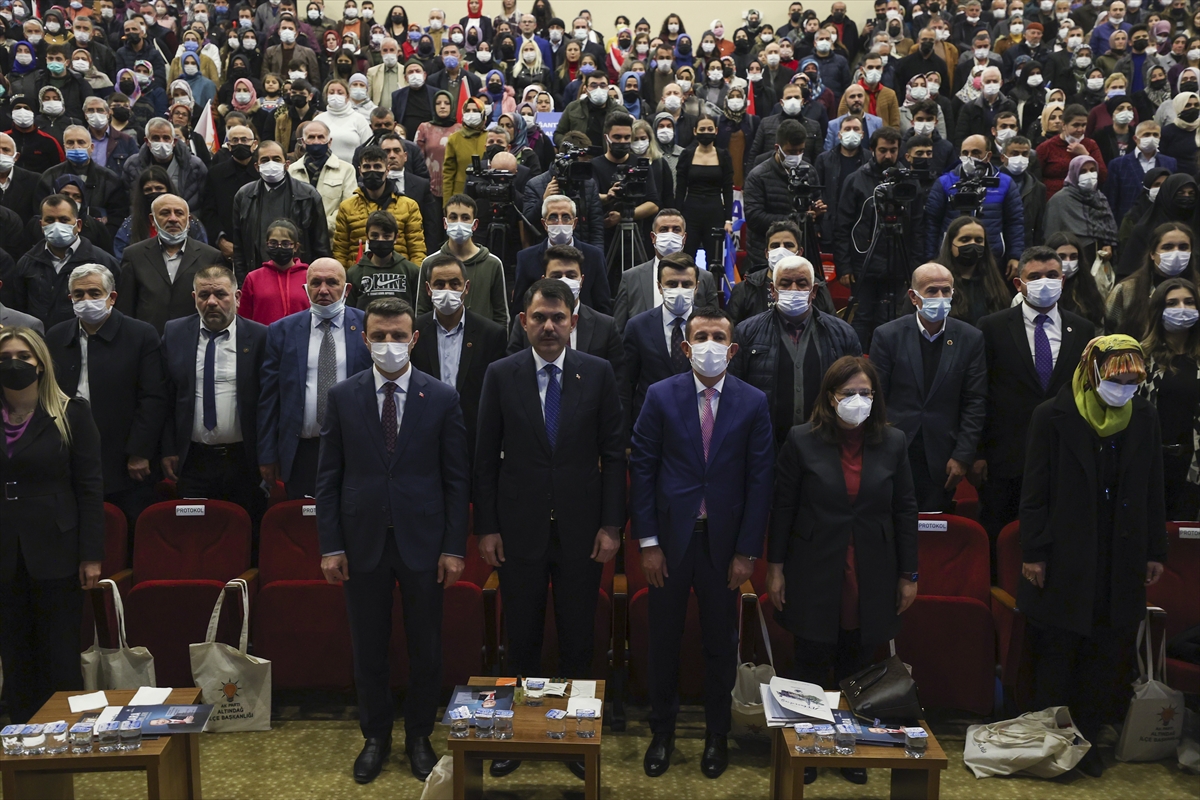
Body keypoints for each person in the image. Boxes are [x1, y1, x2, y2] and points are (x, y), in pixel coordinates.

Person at [473, 279, 624, 779]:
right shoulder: (501, 374)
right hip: (518, 530)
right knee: (522, 639)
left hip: (583, 530)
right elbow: (484, 459)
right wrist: (487, 527)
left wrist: (611, 525)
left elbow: (614, 455)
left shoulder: (597, 373)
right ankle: (518, 735)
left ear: (573, 321)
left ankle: (577, 738)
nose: (549, 326)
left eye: (559, 317)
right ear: (523, 322)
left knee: (579, 640)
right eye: (539, 317)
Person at [315, 296, 469, 784]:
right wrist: (330, 545)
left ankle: (420, 736)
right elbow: (328, 479)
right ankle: (375, 736)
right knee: (369, 647)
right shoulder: (343, 396)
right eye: (379, 336)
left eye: (398, 335)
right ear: (364, 339)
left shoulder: (441, 397)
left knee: (426, 646)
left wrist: (454, 547)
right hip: (361, 541)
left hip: (424, 541)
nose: (389, 344)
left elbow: (456, 480)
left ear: (414, 338)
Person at [629, 306, 774, 780]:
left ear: (732, 349)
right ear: (686, 346)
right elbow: (643, 470)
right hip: (669, 544)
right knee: (663, 641)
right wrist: (648, 543)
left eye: (719, 337)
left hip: (723, 546)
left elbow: (760, 481)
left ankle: (717, 735)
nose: (710, 344)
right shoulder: (660, 395)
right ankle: (662, 732)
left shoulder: (753, 401)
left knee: (720, 644)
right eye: (701, 336)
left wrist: (747, 552)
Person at [767, 354, 918, 788]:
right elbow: (783, 508)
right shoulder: (802, 439)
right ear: (830, 397)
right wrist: (775, 569)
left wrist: (909, 574)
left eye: (865, 393)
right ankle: (809, 748)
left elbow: (905, 509)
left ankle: (853, 747)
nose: (857, 400)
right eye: (848, 392)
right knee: (810, 662)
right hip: (814, 567)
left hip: (872, 569)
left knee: (859, 664)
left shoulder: (893, 441)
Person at [1020, 335, 1166, 778]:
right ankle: (1054, 742)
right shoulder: (1052, 415)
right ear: (1093, 371)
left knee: (1107, 650)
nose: (1124, 388)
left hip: (1122, 550)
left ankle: (1088, 739)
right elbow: (1035, 491)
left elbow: (1153, 486)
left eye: (1132, 381)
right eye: (1117, 379)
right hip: (1067, 550)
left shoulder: (1144, 415)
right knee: (1060, 649)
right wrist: (1034, 551)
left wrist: (1154, 550)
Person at [0, 326, 103, 724]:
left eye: (23, 357)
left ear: (40, 364)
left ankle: (65, 734)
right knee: (15, 650)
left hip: (57, 548)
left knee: (58, 651)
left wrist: (91, 555)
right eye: (5, 358)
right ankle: (21, 735)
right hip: (5, 550)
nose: (14, 364)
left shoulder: (71, 412)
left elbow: (90, 488)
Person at [976, 246, 1096, 557]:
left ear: (1063, 281)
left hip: (1064, 455)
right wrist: (978, 452)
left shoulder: (1083, 329)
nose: (1045, 282)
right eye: (1035, 276)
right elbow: (978, 392)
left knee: (1062, 543)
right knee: (1000, 542)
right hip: (1005, 457)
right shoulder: (992, 327)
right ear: (1019, 284)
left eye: (1052, 275)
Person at [46, 264, 167, 536]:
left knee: (127, 533)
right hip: (70, 454)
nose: (86, 300)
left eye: (94, 293)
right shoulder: (56, 336)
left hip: (125, 459)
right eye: (79, 295)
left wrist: (140, 452)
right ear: (70, 299)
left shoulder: (141, 334)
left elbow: (153, 398)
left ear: (111, 297)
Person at [869, 263, 987, 512]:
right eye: (932, 290)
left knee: (936, 526)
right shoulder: (887, 335)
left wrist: (963, 455)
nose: (940, 297)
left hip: (944, 454)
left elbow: (975, 401)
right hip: (895, 448)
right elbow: (876, 398)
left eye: (946, 291)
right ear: (914, 297)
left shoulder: (970, 338)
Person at [160, 266, 268, 523]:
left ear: (237, 297)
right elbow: (164, 397)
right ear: (194, 298)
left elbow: (269, 402)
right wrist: (168, 448)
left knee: (246, 530)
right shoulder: (175, 333)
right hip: (192, 460)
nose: (211, 302)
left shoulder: (260, 336)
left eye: (220, 294)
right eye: (204, 295)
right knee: (196, 532)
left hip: (244, 460)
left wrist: (268, 455)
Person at [259, 258, 371, 500]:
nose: (323, 290)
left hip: (355, 449)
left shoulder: (368, 326)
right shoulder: (281, 331)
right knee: (304, 519)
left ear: (347, 289)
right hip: (302, 451)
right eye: (316, 283)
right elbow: (269, 398)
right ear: (305, 288)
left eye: (332, 282)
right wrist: (267, 453)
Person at [729, 255, 862, 447]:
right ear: (773, 290)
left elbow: (856, 391)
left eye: (801, 284)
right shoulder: (746, 332)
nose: (793, 290)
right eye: (785, 284)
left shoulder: (842, 333)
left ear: (813, 291)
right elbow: (734, 392)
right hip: (765, 441)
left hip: (826, 442)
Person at [409, 253, 508, 463]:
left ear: (466, 287)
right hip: (423, 438)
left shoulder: (491, 334)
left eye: (455, 284)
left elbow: (496, 395)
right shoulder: (413, 332)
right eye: (440, 284)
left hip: (473, 440)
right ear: (428, 289)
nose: (447, 290)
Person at [834, 126, 923, 350]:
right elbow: (842, 226)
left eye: (893, 150)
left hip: (899, 264)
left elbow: (918, 227)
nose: (888, 156)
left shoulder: (910, 183)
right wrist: (844, 266)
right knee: (862, 316)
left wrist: (915, 267)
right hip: (864, 263)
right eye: (883, 150)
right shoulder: (856, 180)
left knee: (892, 318)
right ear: (872, 150)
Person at [505, 245, 626, 391]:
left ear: (581, 280)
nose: (564, 281)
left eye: (571, 275)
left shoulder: (605, 326)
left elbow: (618, 385)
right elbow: (511, 375)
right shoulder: (524, 323)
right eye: (556, 276)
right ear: (544, 280)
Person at [116, 193, 224, 334]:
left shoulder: (211, 256)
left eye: (179, 213)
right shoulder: (134, 255)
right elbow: (125, 308)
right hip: (147, 340)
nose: (173, 219)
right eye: (165, 213)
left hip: (194, 338)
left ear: (188, 220)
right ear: (153, 220)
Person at [1138, 278, 1200, 520]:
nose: (1182, 309)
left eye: (1189, 302)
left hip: (1193, 464)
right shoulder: (1141, 356)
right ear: (1158, 310)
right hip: (1151, 462)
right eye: (1172, 303)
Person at [622, 252, 704, 432]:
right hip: (650, 423)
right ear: (659, 287)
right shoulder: (638, 326)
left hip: (698, 423)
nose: (679, 290)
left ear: (696, 287)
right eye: (672, 284)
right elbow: (626, 384)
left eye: (686, 284)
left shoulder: (709, 326)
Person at [14, 194, 119, 331]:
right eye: (50, 220)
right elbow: (19, 308)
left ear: (78, 225)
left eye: (64, 220)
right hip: (38, 338)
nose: (56, 225)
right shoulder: (27, 262)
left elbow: (118, 308)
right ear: (41, 225)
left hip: (87, 336)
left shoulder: (103, 262)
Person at [923, 133, 1025, 276]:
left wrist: (1015, 256)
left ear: (988, 156)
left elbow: (1015, 222)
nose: (969, 157)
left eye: (976, 153)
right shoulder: (945, 182)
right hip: (952, 258)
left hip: (992, 258)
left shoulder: (1004, 183)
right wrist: (931, 257)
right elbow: (932, 222)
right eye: (965, 153)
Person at [230, 140, 332, 281]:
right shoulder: (244, 196)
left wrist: (317, 281)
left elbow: (321, 246)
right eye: (265, 160)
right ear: (257, 166)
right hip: (257, 276)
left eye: (276, 159)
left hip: (299, 277)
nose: (271, 164)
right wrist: (243, 283)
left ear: (287, 164)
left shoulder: (308, 195)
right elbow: (239, 248)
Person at [612, 209, 720, 331]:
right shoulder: (631, 278)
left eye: (676, 230)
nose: (670, 235)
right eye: (664, 230)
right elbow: (618, 329)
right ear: (653, 237)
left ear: (684, 238)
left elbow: (714, 324)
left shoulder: (705, 277)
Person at [510, 194, 612, 316]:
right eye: (553, 217)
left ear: (574, 223)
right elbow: (520, 307)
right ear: (544, 223)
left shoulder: (594, 256)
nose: (560, 222)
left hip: (585, 325)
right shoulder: (526, 258)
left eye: (566, 217)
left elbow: (603, 306)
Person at [416, 194, 509, 325]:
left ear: (475, 224)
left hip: (482, 337)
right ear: (445, 223)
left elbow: (501, 316)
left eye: (465, 218)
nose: (459, 223)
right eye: (453, 217)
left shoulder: (492, 264)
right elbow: (421, 312)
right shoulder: (429, 263)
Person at [332, 146, 425, 266]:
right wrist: (346, 276)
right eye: (367, 167)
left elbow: (417, 250)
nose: (372, 171)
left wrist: (413, 275)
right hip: (358, 273)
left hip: (399, 273)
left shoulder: (409, 206)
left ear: (387, 170)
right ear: (360, 171)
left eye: (377, 166)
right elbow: (340, 251)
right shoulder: (347, 207)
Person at [1109, 223, 1199, 338]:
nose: (1176, 253)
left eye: (1183, 247)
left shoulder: (1198, 288)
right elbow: (1109, 328)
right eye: (1167, 247)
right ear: (1152, 253)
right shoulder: (1127, 290)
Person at [933, 216, 1011, 326]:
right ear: (950, 244)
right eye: (965, 240)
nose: (973, 244)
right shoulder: (935, 282)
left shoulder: (995, 285)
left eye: (979, 240)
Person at [674, 115, 733, 261]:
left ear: (716, 131)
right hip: (690, 213)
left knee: (715, 260)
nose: (706, 132)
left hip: (715, 213)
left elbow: (727, 189)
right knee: (686, 258)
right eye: (702, 129)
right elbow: (680, 189)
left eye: (709, 129)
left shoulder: (723, 155)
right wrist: (677, 217)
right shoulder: (687, 155)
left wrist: (728, 220)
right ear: (695, 131)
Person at [287, 119, 359, 237]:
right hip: (299, 238)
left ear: (329, 142)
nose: (316, 141)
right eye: (311, 137)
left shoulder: (346, 169)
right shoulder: (291, 170)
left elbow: (349, 206)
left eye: (321, 137)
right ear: (303, 142)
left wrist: (322, 226)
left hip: (332, 238)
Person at [1044, 155, 1118, 269]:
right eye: (1083, 171)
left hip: (1099, 259)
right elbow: (1051, 235)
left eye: (1092, 170)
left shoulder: (1100, 198)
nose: (1089, 175)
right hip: (1071, 259)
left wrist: (1108, 243)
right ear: (1074, 174)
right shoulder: (1060, 200)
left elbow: (1108, 226)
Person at [121, 118, 208, 209]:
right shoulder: (133, 165)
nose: (161, 142)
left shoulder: (195, 166)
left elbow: (204, 199)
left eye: (166, 138)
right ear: (147, 141)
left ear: (174, 141)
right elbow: (127, 200)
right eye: (155, 138)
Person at [239, 219, 313, 327]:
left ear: (296, 247)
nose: (279, 247)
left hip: (301, 336)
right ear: (267, 245)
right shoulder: (253, 278)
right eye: (273, 243)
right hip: (264, 336)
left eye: (285, 244)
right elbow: (243, 319)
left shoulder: (309, 277)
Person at [346, 209, 423, 310]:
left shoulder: (411, 271)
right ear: (367, 237)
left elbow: (419, 309)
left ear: (396, 238)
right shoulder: (354, 273)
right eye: (375, 236)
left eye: (386, 236)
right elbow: (349, 312)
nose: (380, 240)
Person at [1103, 121, 1177, 226]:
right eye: (1146, 134)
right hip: (1128, 223)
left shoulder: (1170, 163)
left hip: (1161, 222)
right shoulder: (1118, 164)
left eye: (1155, 135)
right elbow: (1111, 199)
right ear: (1135, 138)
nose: (1151, 138)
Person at [1035, 103, 1107, 198]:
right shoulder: (1046, 147)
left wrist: (1085, 155)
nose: (1080, 129)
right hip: (1053, 199)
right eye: (1076, 125)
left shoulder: (1091, 145)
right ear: (1064, 125)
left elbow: (1103, 176)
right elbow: (1035, 178)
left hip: (1084, 199)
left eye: (1083, 125)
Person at [1040, 232, 1108, 330]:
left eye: (1073, 257)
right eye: (1061, 257)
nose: (1068, 262)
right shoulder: (1039, 288)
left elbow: (1097, 324)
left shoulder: (1089, 288)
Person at [441, 96, 490, 202]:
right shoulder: (454, 139)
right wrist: (447, 203)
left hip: (484, 195)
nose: (471, 113)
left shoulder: (490, 138)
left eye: (475, 110)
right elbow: (448, 173)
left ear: (482, 114)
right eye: (468, 110)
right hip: (460, 196)